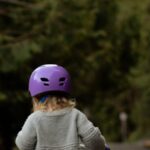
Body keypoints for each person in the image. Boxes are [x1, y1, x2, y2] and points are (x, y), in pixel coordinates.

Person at [15, 64, 107, 150]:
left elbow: (23, 145)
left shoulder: (34, 119)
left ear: (35, 98)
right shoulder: (75, 115)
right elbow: (95, 142)